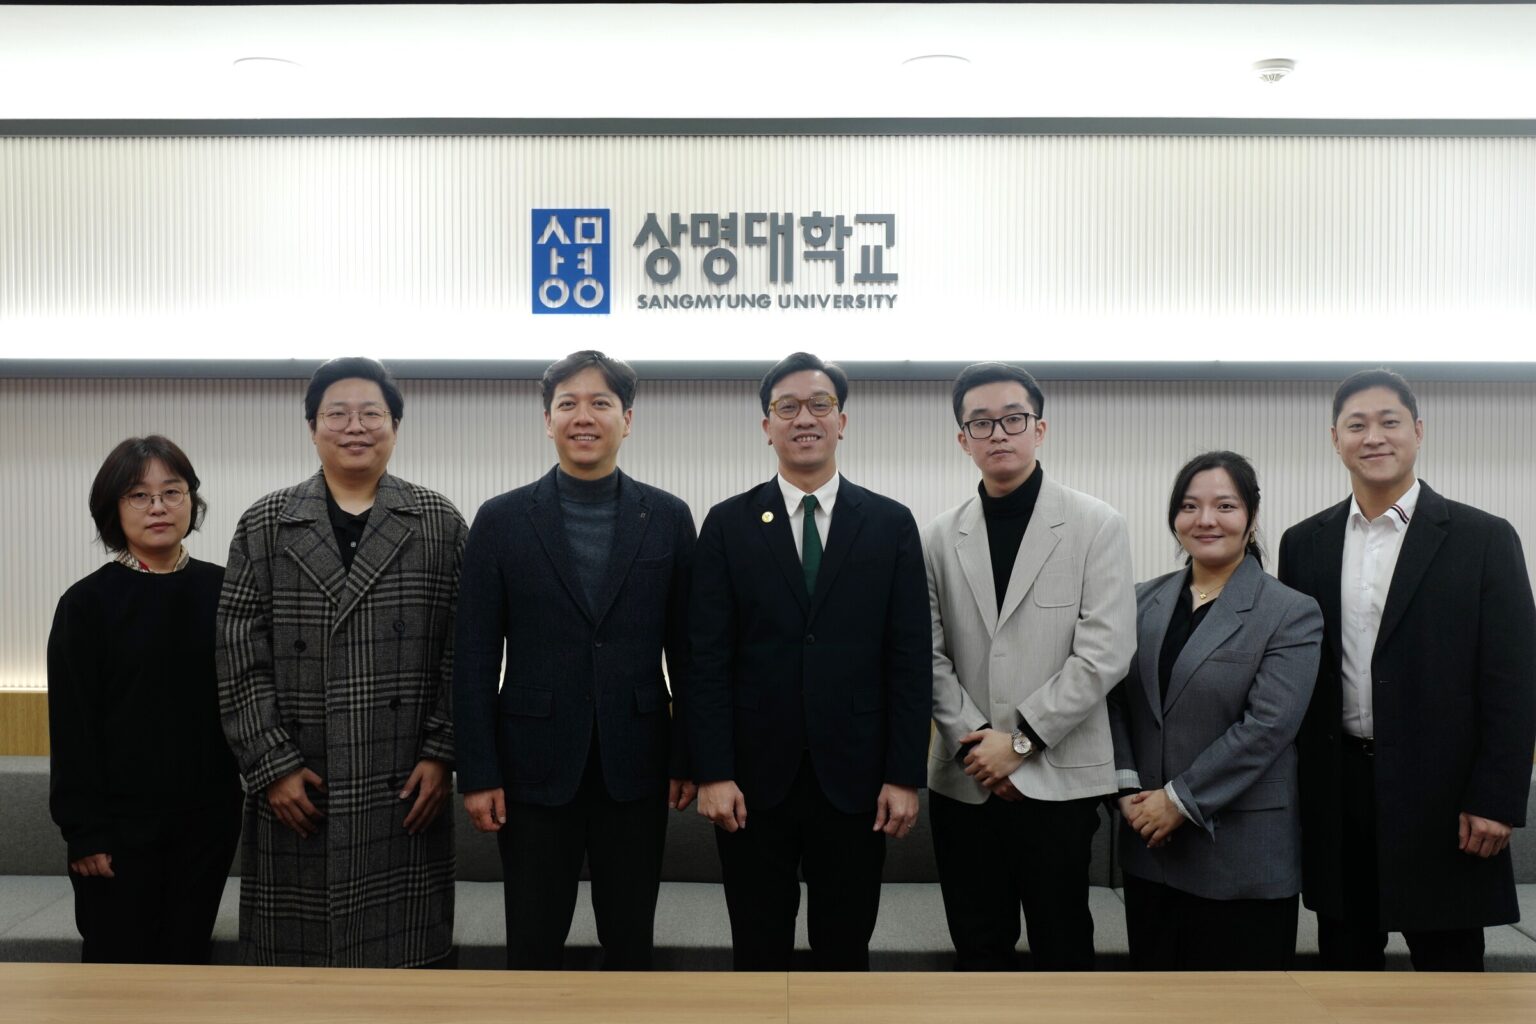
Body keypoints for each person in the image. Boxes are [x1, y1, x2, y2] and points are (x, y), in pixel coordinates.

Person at [1279, 368, 1536, 972]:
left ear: (1418, 431)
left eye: (1389, 422)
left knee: (1450, 981)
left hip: (1447, 801)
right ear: (1335, 439)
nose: (1373, 437)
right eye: (1356, 425)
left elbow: (1515, 679)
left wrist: (1497, 798)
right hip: (1338, 792)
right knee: (1345, 974)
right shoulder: (1304, 543)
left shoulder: (1483, 538)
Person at [217, 357, 467, 968]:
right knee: (295, 977)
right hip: (300, 787)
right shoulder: (267, 522)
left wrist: (442, 754)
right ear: (312, 427)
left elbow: (466, 652)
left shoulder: (438, 521)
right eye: (337, 414)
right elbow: (237, 654)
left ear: (395, 426)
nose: (355, 427)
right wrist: (272, 766)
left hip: (404, 784)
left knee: (403, 973)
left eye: (371, 414)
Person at [453, 350, 696, 970]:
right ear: (547, 420)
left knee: (630, 941)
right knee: (533, 942)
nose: (583, 416)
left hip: (636, 762)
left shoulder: (668, 517)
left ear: (627, 419)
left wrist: (686, 755)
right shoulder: (501, 519)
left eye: (600, 403)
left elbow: (689, 650)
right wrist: (478, 771)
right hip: (531, 765)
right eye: (568, 404)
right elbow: (474, 656)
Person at [688, 351, 931, 971]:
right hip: (750, 784)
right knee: (757, 952)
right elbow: (705, 658)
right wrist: (712, 771)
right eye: (787, 407)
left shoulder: (890, 524)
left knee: (845, 952)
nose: (805, 418)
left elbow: (909, 659)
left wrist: (904, 775)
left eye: (820, 405)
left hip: (857, 782)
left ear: (841, 422)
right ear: (766, 425)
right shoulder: (728, 524)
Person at [923, 361, 1135, 971]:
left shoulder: (1096, 523)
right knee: (977, 947)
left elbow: (1106, 652)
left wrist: (1018, 743)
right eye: (981, 423)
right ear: (963, 439)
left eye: (1013, 419)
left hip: (1058, 779)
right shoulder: (938, 537)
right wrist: (979, 748)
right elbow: (928, 655)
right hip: (966, 785)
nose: (998, 433)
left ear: (1039, 429)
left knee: (1062, 948)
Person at [1107, 451, 1322, 970]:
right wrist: (1126, 787)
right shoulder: (1139, 601)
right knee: (1154, 1001)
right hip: (1149, 848)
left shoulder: (1290, 612)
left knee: (1241, 1004)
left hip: (1240, 854)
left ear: (1251, 516)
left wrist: (1177, 801)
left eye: (1225, 505)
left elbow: (1267, 727)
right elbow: (1112, 700)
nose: (1205, 520)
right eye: (1189, 506)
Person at [47, 436, 242, 965]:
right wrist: (85, 832)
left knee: (187, 960)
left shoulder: (226, 591)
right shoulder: (85, 604)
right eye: (139, 495)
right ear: (113, 509)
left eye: (172, 492)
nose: (158, 507)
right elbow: (72, 727)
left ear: (192, 501)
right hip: (117, 829)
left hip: (207, 821)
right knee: (118, 968)